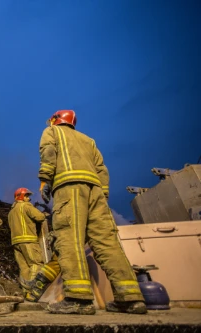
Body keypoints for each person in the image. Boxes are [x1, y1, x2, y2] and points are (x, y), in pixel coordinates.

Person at [38, 110, 147, 315]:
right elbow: (101, 169)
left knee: (69, 239)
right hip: (96, 192)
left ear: (55, 120)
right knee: (107, 242)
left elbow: (48, 152)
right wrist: (102, 195)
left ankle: (78, 299)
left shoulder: (52, 132)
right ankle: (131, 298)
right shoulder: (89, 140)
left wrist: (45, 179)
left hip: (69, 189)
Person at [7, 187, 46, 301]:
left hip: (16, 242)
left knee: (23, 267)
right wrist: (44, 215)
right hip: (28, 240)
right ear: (21, 196)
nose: (29, 198)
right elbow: (40, 217)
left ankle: (26, 293)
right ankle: (32, 289)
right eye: (27, 196)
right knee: (36, 263)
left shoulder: (11, 212)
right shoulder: (26, 206)